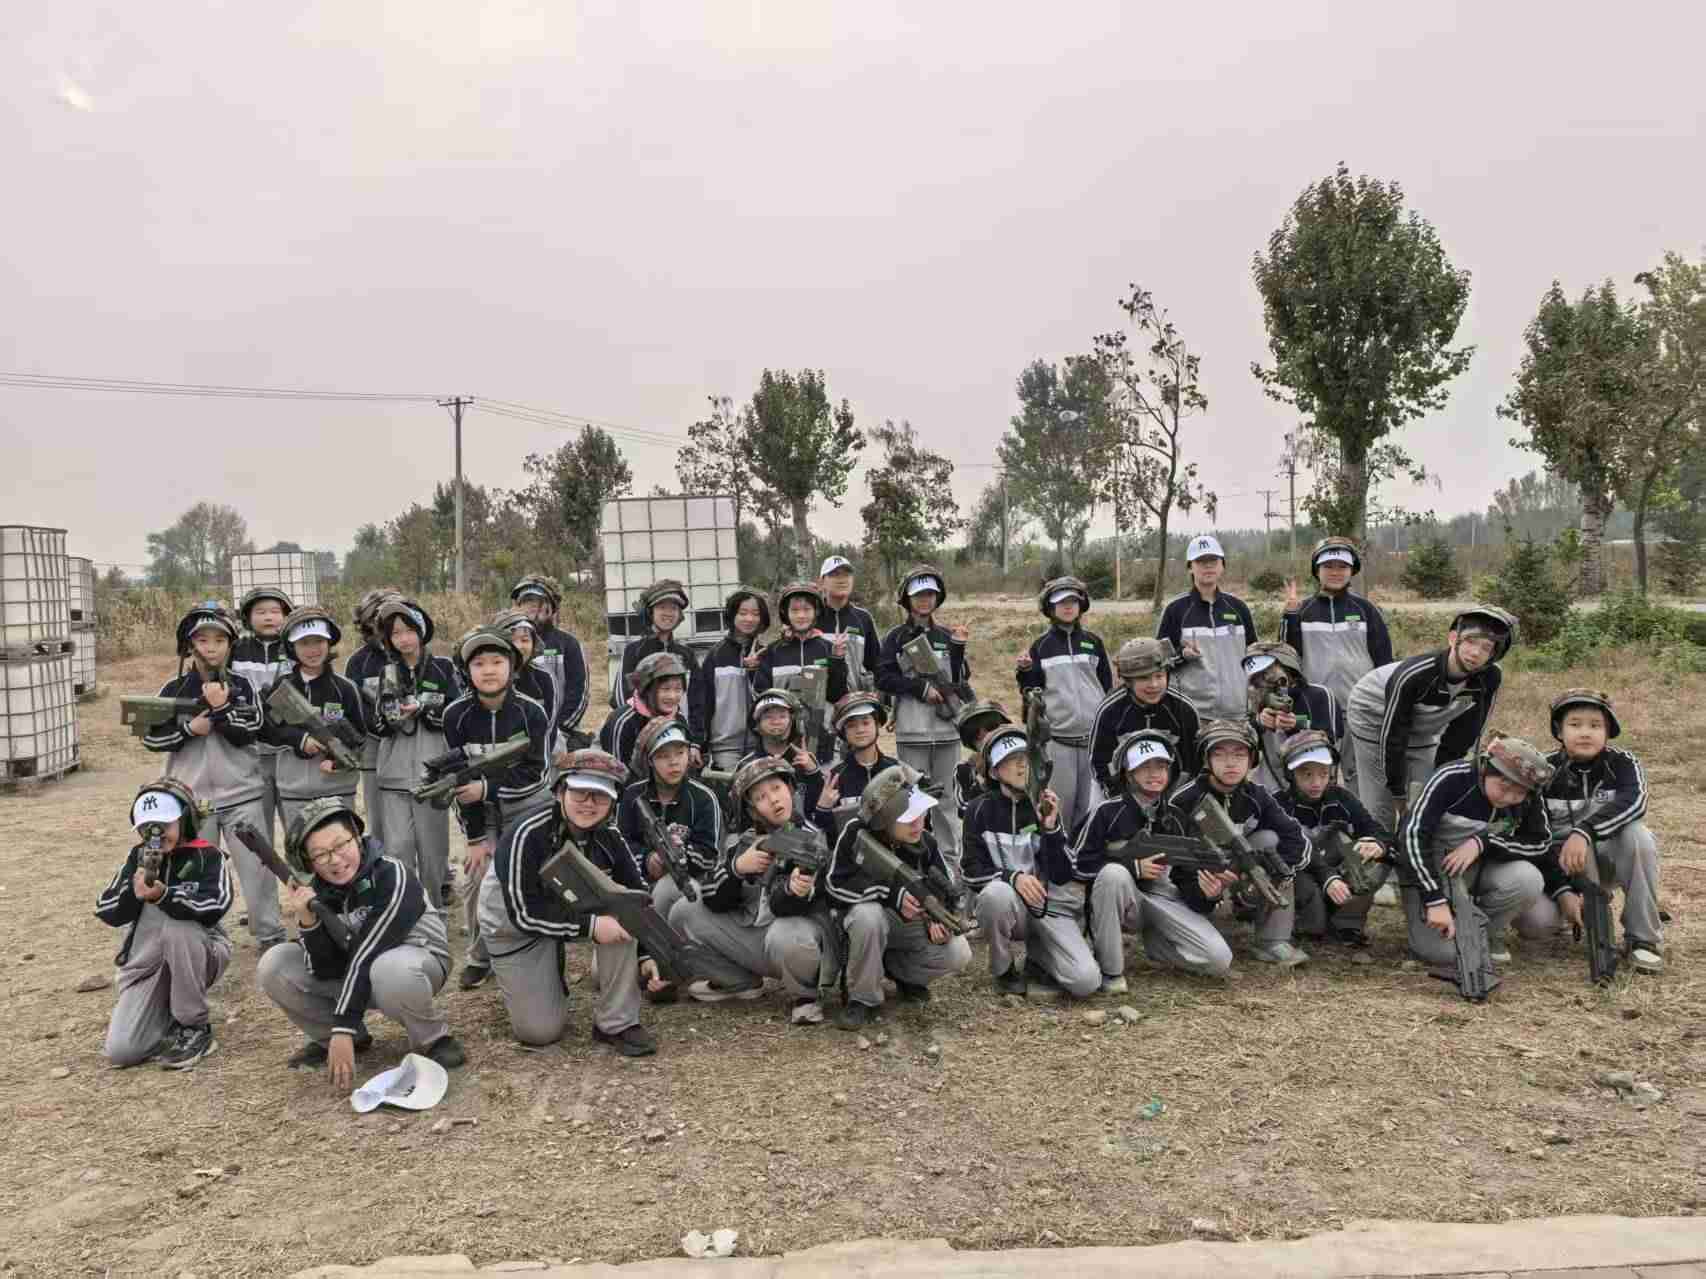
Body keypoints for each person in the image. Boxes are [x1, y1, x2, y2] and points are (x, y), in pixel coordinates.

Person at [259, 798, 464, 1085]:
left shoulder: (392, 873)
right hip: (361, 974)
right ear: (309, 862)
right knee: (275, 964)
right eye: (320, 854)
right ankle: (342, 1039)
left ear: (357, 837)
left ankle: (433, 1039)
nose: (334, 859)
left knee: (388, 966)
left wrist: (343, 1024)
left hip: (416, 966)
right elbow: (324, 969)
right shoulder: (318, 892)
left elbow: (369, 950)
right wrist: (308, 921)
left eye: (340, 845)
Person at [479, 750, 663, 1056]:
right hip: (515, 924)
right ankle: (538, 970)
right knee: (540, 1031)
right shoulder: (526, 834)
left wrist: (646, 954)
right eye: (580, 792)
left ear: (613, 802)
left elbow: (638, 897)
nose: (589, 803)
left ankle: (616, 1022)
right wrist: (591, 926)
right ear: (559, 791)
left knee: (625, 911)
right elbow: (522, 914)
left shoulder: (610, 835)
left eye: (600, 796)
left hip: (572, 907)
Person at [143, 602, 280, 952]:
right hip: (192, 803)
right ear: (189, 645)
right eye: (203, 640)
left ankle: (270, 934)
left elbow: (251, 731)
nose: (212, 648)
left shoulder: (243, 685)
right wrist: (190, 728)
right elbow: (151, 739)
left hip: (243, 796)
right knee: (197, 873)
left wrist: (220, 709)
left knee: (258, 868)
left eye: (220, 640)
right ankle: (204, 937)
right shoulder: (173, 689)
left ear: (230, 644)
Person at [1515, 689, 1663, 974]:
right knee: (1535, 925)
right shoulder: (1541, 770)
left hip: (1608, 860)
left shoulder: (1623, 762)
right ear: (1559, 731)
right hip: (1557, 865)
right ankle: (1573, 914)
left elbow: (1636, 802)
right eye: (1575, 724)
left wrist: (1584, 831)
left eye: (1595, 725)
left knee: (1638, 836)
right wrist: (1563, 889)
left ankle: (1642, 940)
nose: (1585, 732)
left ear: (1608, 732)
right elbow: (1535, 839)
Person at [673, 756, 832, 1018]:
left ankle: (806, 996)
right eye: (760, 797)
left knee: (786, 933)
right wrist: (738, 869)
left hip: (794, 938)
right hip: (755, 938)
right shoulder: (746, 841)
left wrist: (794, 890)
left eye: (777, 788)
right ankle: (739, 981)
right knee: (684, 910)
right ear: (752, 811)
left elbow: (791, 906)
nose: (773, 799)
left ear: (790, 789)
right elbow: (713, 898)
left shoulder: (813, 839)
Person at [442, 626, 554, 990]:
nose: (488, 670)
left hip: (528, 806)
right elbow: (459, 780)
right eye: (479, 664)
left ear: (512, 667)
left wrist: (488, 788)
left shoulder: (532, 712)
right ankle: (480, 956)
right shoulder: (455, 715)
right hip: (482, 812)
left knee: (531, 871)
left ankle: (538, 939)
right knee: (476, 873)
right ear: (467, 671)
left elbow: (537, 773)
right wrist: (476, 837)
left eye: (496, 661)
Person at [1078, 731, 1233, 988]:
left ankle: (1157, 945)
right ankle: (1110, 970)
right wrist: (1132, 867)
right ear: (1128, 773)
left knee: (1219, 959)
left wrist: (1208, 895)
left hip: (1164, 898)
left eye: (1161, 766)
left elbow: (1186, 879)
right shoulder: (1106, 812)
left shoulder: (1177, 817)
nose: (1154, 774)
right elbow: (1079, 863)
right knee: (1113, 875)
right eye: (1144, 767)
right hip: (1120, 897)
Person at [1395, 734, 1556, 982]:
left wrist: (1483, 842)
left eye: (1518, 793)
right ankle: (1450, 923)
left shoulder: (1530, 795)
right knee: (1443, 954)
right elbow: (1411, 835)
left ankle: (1484, 932)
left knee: (1528, 879)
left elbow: (1540, 842)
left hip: (1477, 868)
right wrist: (1434, 899)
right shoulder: (1452, 778)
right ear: (1486, 768)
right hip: (1430, 870)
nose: (1508, 798)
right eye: (1503, 786)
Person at [96, 781, 232, 1069]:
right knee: (122, 1052)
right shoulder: (136, 857)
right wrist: (133, 893)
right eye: (147, 827)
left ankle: (193, 1025)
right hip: (148, 966)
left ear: (186, 819)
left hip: (199, 953)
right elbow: (106, 910)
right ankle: (168, 1012)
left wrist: (165, 896)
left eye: (165, 824)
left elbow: (215, 905)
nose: (155, 834)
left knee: (179, 926)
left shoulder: (208, 856)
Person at [1346, 604, 1516, 834]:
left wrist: (1440, 779)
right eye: (1470, 641)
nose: (1476, 652)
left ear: (1494, 654)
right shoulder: (1414, 675)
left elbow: (1464, 735)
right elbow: (1394, 737)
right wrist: (1398, 792)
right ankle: (1375, 844)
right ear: (1453, 638)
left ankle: (1413, 845)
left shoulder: (1489, 677)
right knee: (1381, 806)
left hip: (1423, 718)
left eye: (1486, 647)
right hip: (1372, 710)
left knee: (1428, 796)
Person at [825, 765, 973, 1029]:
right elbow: (834, 887)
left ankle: (905, 976)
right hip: (860, 927)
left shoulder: (925, 841)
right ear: (884, 820)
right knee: (868, 916)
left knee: (958, 951)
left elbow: (945, 886)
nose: (919, 823)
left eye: (921, 813)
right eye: (908, 817)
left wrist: (937, 918)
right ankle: (862, 998)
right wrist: (890, 894)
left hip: (905, 925)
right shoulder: (855, 833)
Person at [961, 723, 1098, 999]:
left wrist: (1051, 829)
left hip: (1049, 906)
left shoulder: (1044, 804)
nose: (1022, 765)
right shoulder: (978, 810)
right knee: (995, 895)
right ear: (994, 771)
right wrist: (1012, 878)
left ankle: (1039, 958)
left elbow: (1062, 874)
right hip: (1011, 905)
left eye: (1025, 758)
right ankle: (1003, 970)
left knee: (1086, 982)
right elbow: (970, 870)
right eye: (1011, 760)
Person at [1166, 719, 1312, 967]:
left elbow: (1294, 836)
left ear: (1252, 759)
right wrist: (1206, 880)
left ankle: (1273, 940)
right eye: (1219, 754)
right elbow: (1172, 861)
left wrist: (1275, 869)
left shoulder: (1257, 795)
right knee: (1209, 943)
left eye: (1239, 754)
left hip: (1239, 871)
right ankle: (1203, 926)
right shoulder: (1184, 800)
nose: (1230, 763)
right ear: (1206, 760)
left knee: (1270, 840)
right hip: (1198, 879)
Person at [876, 564, 971, 880]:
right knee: (913, 802)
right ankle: (916, 868)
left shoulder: (947, 635)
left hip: (947, 734)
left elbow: (961, 680)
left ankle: (950, 869)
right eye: (918, 595)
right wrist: (919, 688)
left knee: (946, 803)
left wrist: (958, 648)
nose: (924, 600)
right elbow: (883, 678)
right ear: (907, 599)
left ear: (937, 597)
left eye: (930, 594)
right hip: (912, 733)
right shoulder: (894, 638)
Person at [1279, 537, 1393, 787]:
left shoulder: (1366, 610)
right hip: (1317, 709)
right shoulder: (1301, 610)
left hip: (1360, 706)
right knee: (1318, 777)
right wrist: (1290, 615)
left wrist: (1384, 701)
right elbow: (1287, 659)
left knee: (1358, 777)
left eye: (1342, 566)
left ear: (1352, 571)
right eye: (1328, 566)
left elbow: (1385, 661)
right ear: (1317, 570)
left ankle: (1355, 813)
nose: (1335, 572)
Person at [371, 598, 459, 907]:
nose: (404, 639)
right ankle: (406, 911)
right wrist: (392, 717)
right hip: (393, 774)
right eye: (396, 633)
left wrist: (423, 707)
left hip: (432, 772)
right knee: (399, 847)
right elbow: (379, 724)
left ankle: (434, 909)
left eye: (409, 631)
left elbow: (456, 713)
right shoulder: (387, 672)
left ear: (421, 631)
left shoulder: (444, 668)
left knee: (433, 850)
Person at [1014, 576, 1112, 834]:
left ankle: (1083, 856)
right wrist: (1024, 671)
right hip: (1059, 743)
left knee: (1089, 810)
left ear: (1081, 605)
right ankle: (1057, 856)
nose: (1068, 607)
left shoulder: (1094, 642)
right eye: (1061, 602)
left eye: (1073, 601)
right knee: (1060, 809)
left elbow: (1106, 687)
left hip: (1092, 742)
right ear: (1050, 607)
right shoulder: (1041, 647)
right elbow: (1031, 692)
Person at [1273, 730, 1388, 951]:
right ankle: (1302, 921)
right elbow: (1289, 852)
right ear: (1290, 774)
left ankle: (1347, 923)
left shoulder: (1342, 798)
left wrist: (1377, 845)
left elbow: (1375, 830)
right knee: (1314, 926)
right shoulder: (1278, 804)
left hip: (1331, 868)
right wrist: (1327, 878)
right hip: (1299, 870)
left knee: (1372, 858)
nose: (1316, 782)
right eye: (1306, 774)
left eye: (1323, 773)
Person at [617, 716, 724, 923]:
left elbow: (710, 856)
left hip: (688, 884)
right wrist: (648, 859)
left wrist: (683, 855)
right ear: (650, 760)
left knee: (669, 888)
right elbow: (621, 844)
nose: (674, 762)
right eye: (663, 756)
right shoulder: (632, 795)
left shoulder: (703, 798)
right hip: (637, 880)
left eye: (680, 753)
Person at [269, 605, 367, 831]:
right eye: (304, 643)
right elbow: (269, 731)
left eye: (319, 641)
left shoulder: (346, 688)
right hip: (294, 792)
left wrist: (336, 762)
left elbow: (360, 739)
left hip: (338, 792)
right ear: (292, 647)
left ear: (329, 643)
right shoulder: (281, 687)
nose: (313, 649)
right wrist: (300, 740)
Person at [1156, 535, 1258, 721]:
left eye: (1213, 560)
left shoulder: (1239, 608)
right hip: (1191, 714)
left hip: (1237, 713)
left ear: (1222, 566)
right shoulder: (1175, 610)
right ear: (1190, 567)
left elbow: (1254, 656)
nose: (1208, 566)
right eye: (1201, 561)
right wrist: (1182, 655)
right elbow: (1160, 661)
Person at [752, 580, 849, 760]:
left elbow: (838, 694)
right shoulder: (773, 651)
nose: (801, 615)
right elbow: (760, 694)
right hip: (780, 746)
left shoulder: (828, 648)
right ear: (785, 613)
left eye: (807, 609)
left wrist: (837, 659)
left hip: (822, 740)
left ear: (816, 611)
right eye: (795, 610)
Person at [1089, 638, 1201, 789]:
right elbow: (1099, 763)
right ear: (1128, 681)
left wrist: (1178, 795)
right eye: (1144, 678)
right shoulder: (1110, 711)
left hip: (1173, 790)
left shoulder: (1183, 708)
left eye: (1159, 676)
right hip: (1122, 790)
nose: (1153, 685)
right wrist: (1121, 795)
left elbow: (1194, 761)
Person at [231, 585, 294, 839]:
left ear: (286, 615)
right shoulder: (236, 649)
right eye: (260, 612)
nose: (269, 617)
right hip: (251, 752)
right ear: (247, 617)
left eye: (275, 611)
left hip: (289, 751)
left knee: (296, 822)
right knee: (259, 824)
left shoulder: (295, 647)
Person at [1241, 640, 1341, 793]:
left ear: (1289, 668)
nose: (1261, 682)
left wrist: (1297, 723)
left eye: (1267, 674)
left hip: (1314, 787)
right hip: (1271, 787)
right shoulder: (1256, 696)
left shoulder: (1320, 694)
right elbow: (1247, 750)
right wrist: (1260, 722)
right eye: (1256, 678)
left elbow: (1330, 740)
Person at [690, 586, 770, 770]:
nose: (749, 619)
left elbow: (769, 698)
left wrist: (753, 671)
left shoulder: (766, 653)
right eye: (743, 613)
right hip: (724, 748)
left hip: (761, 746)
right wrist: (699, 743)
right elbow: (704, 703)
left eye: (756, 614)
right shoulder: (716, 655)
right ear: (732, 615)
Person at [346, 588, 402, 851]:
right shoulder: (358, 662)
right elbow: (355, 707)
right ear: (367, 624)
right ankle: (382, 861)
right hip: (373, 749)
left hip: (410, 746)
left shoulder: (413, 655)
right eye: (377, 620)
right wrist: (381, 726)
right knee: (378, 817)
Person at [509, 574, 591, 752]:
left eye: (539, 600)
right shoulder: (505, 642)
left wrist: (559, 729)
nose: (533, 605)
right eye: (527, 600)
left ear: (552, 607)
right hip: (513, 736)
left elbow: (579, 693)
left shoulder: (568, 644)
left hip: (562, 733)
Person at [813, 691, 900, 837]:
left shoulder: (897, 771)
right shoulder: (834, 778)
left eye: (866, 722)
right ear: (843, 732)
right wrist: (823, 809)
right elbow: (826, 834)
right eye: (851, 725)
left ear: (877, 724)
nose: (860, 730)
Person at [733, 688, 826, 823]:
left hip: (807, 832)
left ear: (793, 722)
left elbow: (821, 810)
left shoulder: (808, 761)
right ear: (757, 725)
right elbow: (742, 818)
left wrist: (813, 773)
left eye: (782, 716)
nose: (776, 722)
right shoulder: (746, 765)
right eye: (768, 717)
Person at [610, 579, 699, 709]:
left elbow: (698, 699)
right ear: (650, 612)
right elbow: (621, 699)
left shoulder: (687, 655)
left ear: (679, 615)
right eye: (662, 607)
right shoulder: (635, 652)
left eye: (674, 608)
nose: (668, 613)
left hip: (679, 722)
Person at [600, 651, 696, 771]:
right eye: (665, 689)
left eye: (678, 689)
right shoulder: (622, 722)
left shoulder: (678, 717)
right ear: (647, 690)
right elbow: (616, 772)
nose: (672, 696)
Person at [816, 555, 882, 694]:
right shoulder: (812, 618)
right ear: (821, 582)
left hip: (857, 701)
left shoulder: (863, 618)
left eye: (847, 574)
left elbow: (876, 664)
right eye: (835, 574)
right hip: (819, 701)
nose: (842, 580)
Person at [491, 607, 559, 729]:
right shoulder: (484, 677)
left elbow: (549, 727)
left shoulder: (543, 677)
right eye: (511, 639)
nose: (519, 646)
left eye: (525, 640)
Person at [952, 701, 1011, 826]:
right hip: (983, 833)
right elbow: (963, 809)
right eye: (993, 728)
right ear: (978, 733)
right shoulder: (964, 769)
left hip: (1023, 830)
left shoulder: (1017, 761)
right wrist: (982, 779)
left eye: (1000, 727)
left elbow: (1032, 805)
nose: (1000, 732)